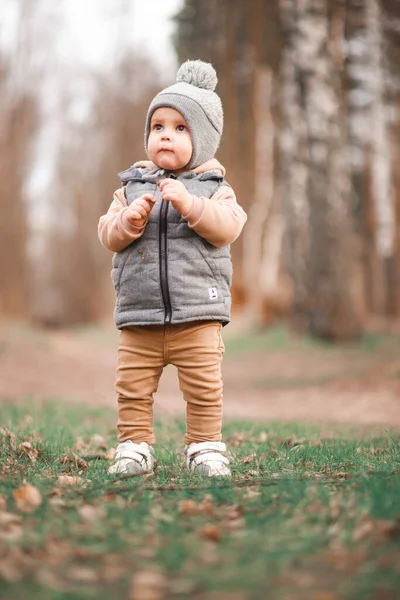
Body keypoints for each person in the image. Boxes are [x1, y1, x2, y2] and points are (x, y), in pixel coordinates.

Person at [98, 60, 247, 477]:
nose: (166, 134)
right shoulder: (130, 188)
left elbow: (228, 227)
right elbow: (106, 233)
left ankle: (204, 446)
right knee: (132, 389)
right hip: (140, 313)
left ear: (203, 140)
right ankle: (134, 445)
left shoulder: (216, 189)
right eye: (158, 125)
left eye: (181, 128)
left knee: (203, 388)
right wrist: (127, 222)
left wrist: (189, 204)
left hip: (198, 313)